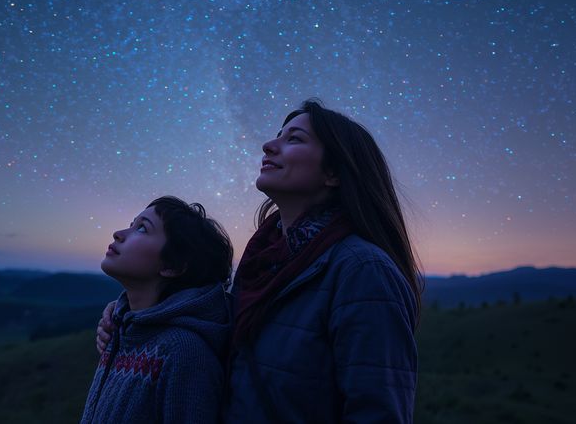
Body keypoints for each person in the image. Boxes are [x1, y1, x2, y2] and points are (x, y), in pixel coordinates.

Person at [98, 100, 421, 423]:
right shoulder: (261, 265)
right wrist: (127, 315)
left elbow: (379, 413)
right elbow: (206, 322)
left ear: (333, 172)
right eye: (277, 136)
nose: (268, 145)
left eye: (293, 139)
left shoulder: (363, 270)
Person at [80, 195, 234, 424]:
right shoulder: (121, 331)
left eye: (142, 228)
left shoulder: (185, 354)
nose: (119, 233)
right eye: (132, 224)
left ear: (173, 266)